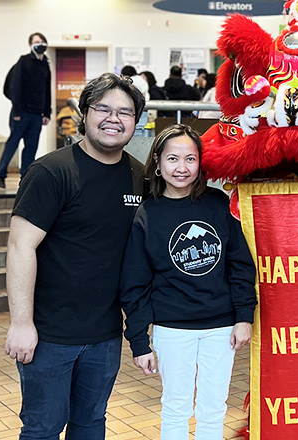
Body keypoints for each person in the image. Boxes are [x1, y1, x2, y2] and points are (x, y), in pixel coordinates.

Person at [3, 72, 146, 440]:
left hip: (106, 334)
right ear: (84, 114)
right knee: (43, 429)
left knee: (90, 424)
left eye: (125, 112)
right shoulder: (51, 171)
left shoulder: (138, 175)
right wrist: (21, 323)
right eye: (103, 109)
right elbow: (21, 246)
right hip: (49, 335)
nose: (114, 119)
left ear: (135, 121)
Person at [120, 124, 256, 440]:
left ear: (200, 162)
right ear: (157, 161)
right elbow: (135, 284)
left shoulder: (219, 204)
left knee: (214, 407)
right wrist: (139, 340)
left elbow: (240, 264)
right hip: (172, 329)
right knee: (176, 406)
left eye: (190, 160)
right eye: (172, 159)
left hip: (221, 327)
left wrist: (244, 317)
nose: (182, 168)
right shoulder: (147, 213)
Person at [0, 32, 52, 189]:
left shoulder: (46, 64)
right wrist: (18, 111)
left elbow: (47, 90)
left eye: (41, 41)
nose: (38, 44)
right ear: (30, 45)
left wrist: (47, 113)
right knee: (12, 144)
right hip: (21, 113)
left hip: (37, 115)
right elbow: (15, 87)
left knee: (31, 147)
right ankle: (0, 175)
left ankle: (25, 178)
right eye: (35, 41)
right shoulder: (23, 61)